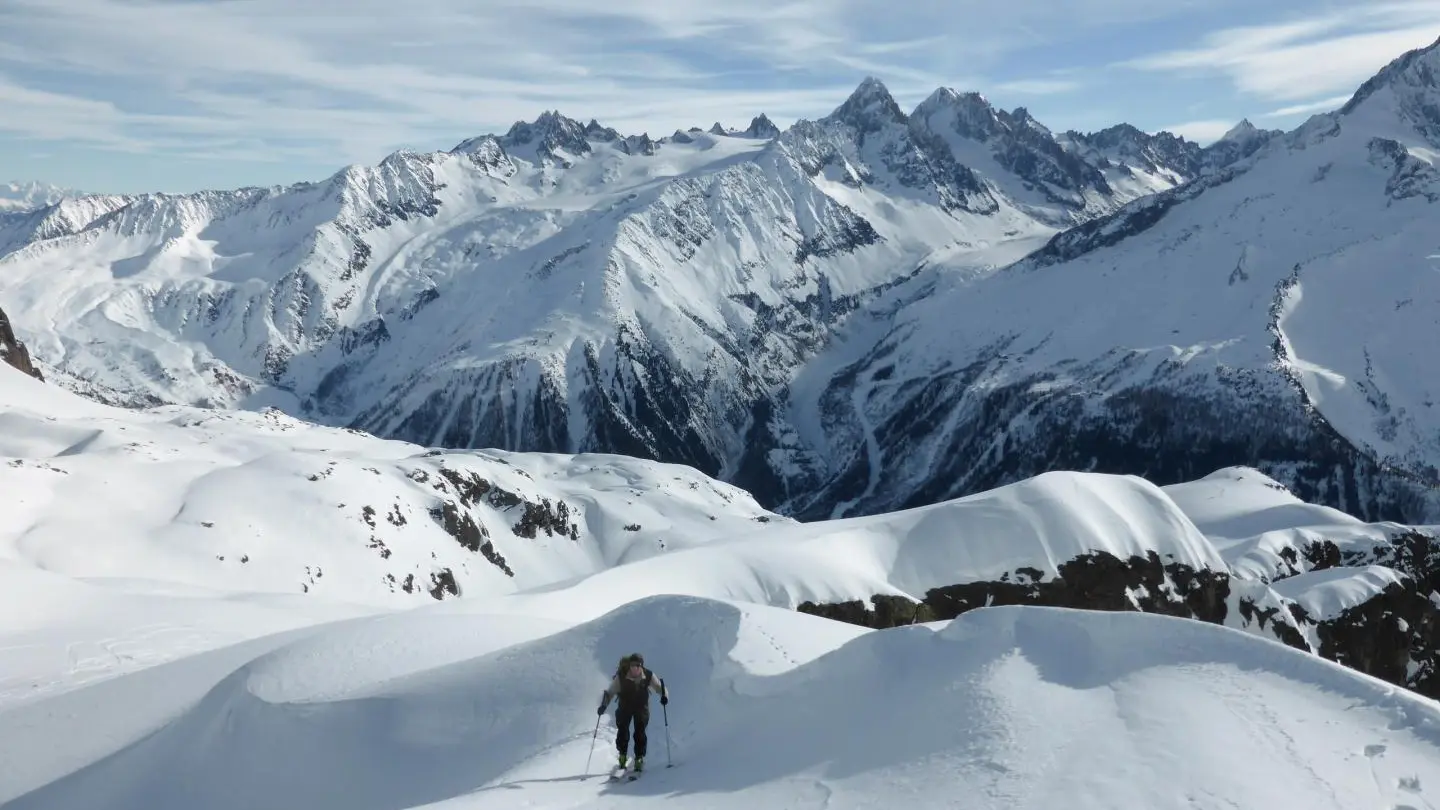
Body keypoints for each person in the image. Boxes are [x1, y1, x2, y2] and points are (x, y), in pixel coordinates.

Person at [597, 652, 668, 771]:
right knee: (623, 730)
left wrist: (664, 696)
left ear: (641, 666)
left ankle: (639, 758)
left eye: (637, 665)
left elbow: (659, 687)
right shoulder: (621, 677)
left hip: (641, 707)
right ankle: (622, 756)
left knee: (640, 731)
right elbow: (610, 693)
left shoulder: (648, 675)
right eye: (632, 665)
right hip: (625, 706)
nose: (634, 668)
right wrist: (603, 706)